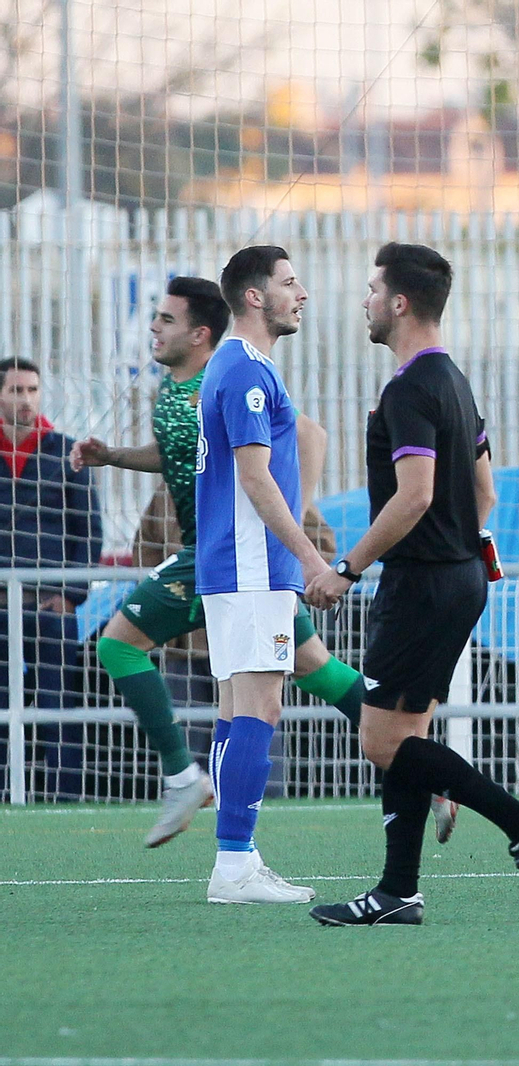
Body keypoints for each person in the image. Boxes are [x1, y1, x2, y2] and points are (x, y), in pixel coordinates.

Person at [71, 276, 400, 847]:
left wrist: (290, 528)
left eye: (166, 319)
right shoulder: (174, 387)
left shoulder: (222, 376)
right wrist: (115, 456)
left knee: (123, 646)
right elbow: (182, 451)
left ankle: (189, 785)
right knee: (316, 669)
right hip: (218, 558)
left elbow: (309, 436)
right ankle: (420, 764)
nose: (154, 327)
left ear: (200, 333)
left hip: (230, 556)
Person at [305, 242, 519, 926]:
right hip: (458, 579)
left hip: (421, 586)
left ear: (398, 303)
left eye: (371, 289)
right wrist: (458, 547)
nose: (364, 301)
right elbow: (485, 491)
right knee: (405, 737)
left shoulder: (411, 388)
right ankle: (398, 892)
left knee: (381, 742)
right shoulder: (454, 381)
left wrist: (346, 568)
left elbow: (415, 495)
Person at [194, 246, 327, 903]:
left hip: (236, 563)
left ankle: (236, 859)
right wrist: (310, 557)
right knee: (261, 705)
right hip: (251, 563)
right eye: (289, 283)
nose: (300, 294)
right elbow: (254, 477)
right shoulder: (245, 369)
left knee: (235, 708)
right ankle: (233, 864)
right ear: (254, 296)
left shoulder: (240, 365)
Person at [0, 356, 101, 798]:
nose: (26, 399)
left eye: (32, 390)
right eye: (15, 390)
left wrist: (71, 595)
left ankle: (66, 797)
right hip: (2, 607)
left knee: (59, 708)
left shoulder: (65, 451)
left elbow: (89, 531)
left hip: (50, 608)